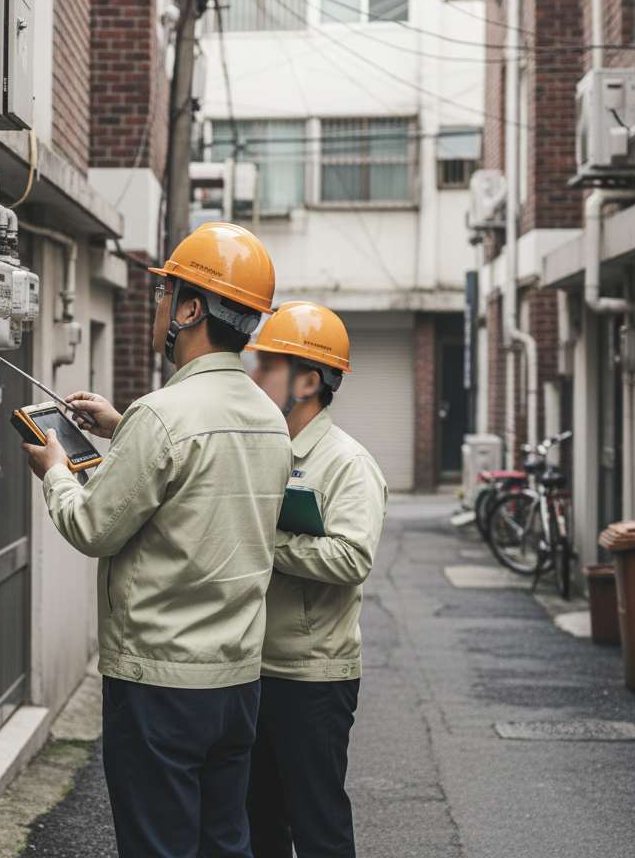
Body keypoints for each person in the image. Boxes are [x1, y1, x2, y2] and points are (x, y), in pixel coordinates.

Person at [21, 222, 293, 858]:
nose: (157, 305)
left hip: (160, 683)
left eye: (164, 294)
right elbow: (202, 480)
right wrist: (123, 428)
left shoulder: (162, 416)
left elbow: (92, 527)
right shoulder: (269, 419)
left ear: (191, 310)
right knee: (224, 841)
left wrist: (57, 471)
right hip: (236, 682)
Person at [244, 301, 387, 858]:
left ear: (307, 381)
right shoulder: (264, 448)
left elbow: (352, 558)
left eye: (267, 365)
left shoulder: (348, 463)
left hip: (313, 676)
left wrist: (265, 540)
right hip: (253, 668)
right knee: (259, 824)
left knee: (318, 825)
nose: (254, 375)